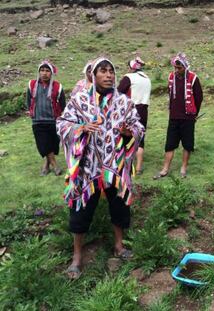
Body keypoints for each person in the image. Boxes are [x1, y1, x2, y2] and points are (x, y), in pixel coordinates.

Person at [56, 57, 145, 279]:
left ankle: (119, 246)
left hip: (115, 168)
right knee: (79, 211)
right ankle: (77, 257)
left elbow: (138, 126)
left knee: (120, 206)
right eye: (102, 71)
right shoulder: (79, 101)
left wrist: (129, 133)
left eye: (111, 71)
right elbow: (62, 124)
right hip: (88, 169)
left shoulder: (123, 102)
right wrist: (82, 128)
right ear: (93, 76)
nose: (108, 75)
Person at [154, 52, 203, 179]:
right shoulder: (171, 77)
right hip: (174, 117)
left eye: (179, 68)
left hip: (188, 117)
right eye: (175, 67)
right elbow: (170, 94)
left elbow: (199, 97)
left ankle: (183, 168)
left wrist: (194, 114)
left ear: (185, 67)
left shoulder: (193, 78)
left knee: (187, 144)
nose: (176, 70)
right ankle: (165, 169)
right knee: (170, 144)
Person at [27, 60, 65, 176]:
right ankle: (55, 165)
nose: (44, 73)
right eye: (42, 70)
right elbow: (29, 101)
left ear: (51, 73)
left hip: (53, 120)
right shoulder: (32, 85)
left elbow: (63, 103)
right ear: (38, 72)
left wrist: (61, 117)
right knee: (43, 144)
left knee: (52, 144)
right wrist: (33, 112)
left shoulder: (58, 87)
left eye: (47, 71)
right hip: (38, 120)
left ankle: (46, 166)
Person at [117, 54, 151, 175]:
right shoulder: (147, 79)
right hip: (144, 110)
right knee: (140, 137)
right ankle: (139, 167)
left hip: (131, 110)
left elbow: (118, 92)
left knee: (126, 136)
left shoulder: (128, 77)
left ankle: (125, 165)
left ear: (132, 67)